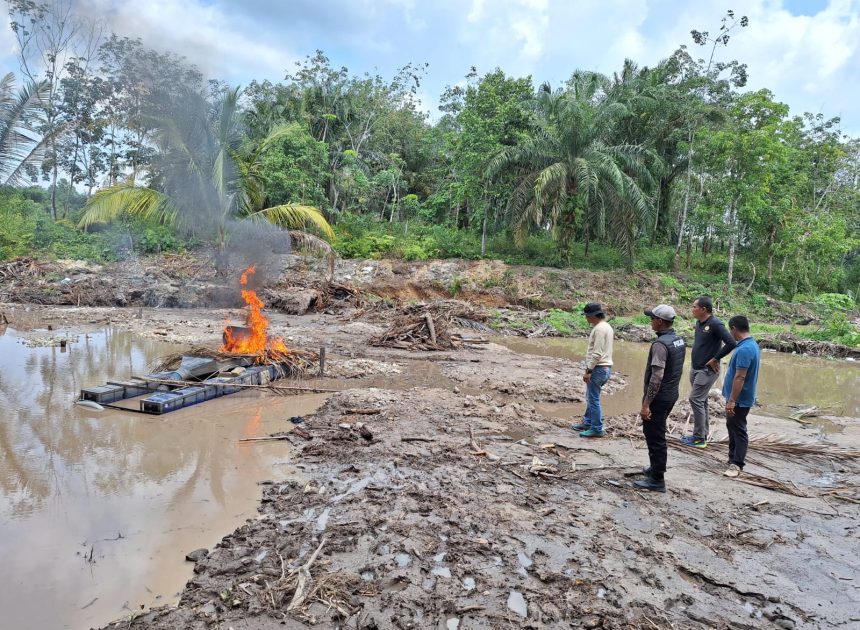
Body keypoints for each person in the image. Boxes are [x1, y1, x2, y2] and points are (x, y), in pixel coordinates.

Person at [634, 304, 686, 493]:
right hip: (671, 394)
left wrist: (646, 404)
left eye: (652, 319)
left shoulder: (660, 345)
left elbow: (657, 377)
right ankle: (654, 469)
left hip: (659, 397)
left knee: (655, 436)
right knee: (657, 433)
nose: (650, 322)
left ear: (660, 322)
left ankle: (657, 480)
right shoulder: (678, 340)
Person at [682, 296, 736, 448]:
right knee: (702, 400)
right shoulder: (699, 323)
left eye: (694, 307)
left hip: (707, 370)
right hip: (696, 368)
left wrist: (716, 358)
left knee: (695, 399)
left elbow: (731, 343)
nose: (692, 309)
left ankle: (699, 438)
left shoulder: (715, 323)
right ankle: (702, 434)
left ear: (703, 309)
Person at [721, 315, 760, 478]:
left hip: (740, 399)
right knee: (732, 426)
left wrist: (732, 400)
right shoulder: (751, 344)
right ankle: (732, 458)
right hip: (739, 397)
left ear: (734, 329)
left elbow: (740, 377)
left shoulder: (744, 349)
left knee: (738, 429)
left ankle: (737, 464)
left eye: (730, 331)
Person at [571, 302, 613, 438]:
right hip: (604, 368)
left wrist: (588, 371)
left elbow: (597, 354)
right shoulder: (606, 326)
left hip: (598, 368)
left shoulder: (599, 329)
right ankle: (588, 422)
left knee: (593, 399)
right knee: (591, 397)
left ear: (592, 316)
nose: (586, 319)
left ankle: (597, 428)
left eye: (587, 316)